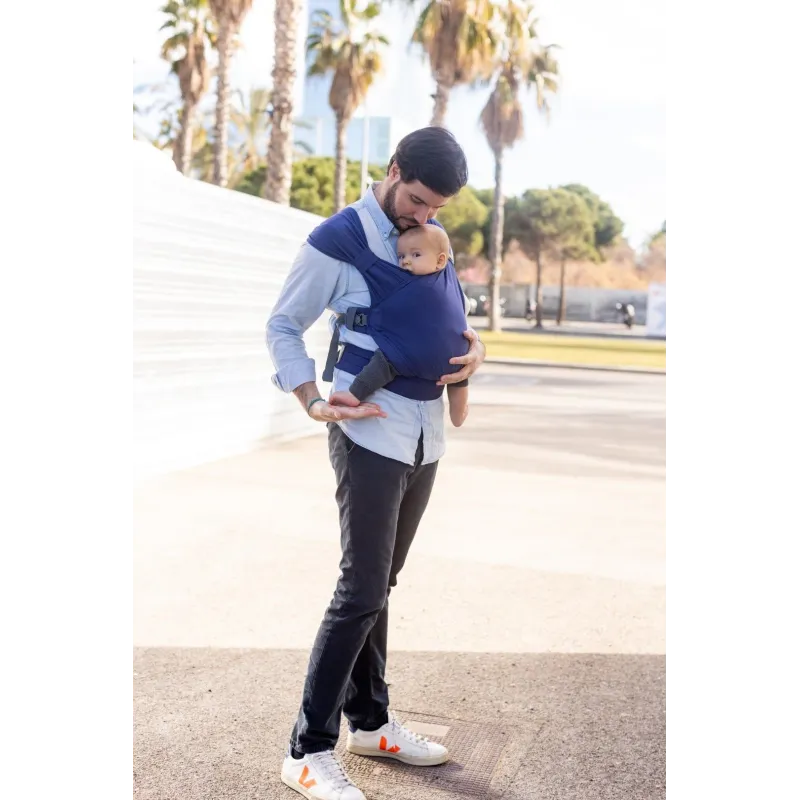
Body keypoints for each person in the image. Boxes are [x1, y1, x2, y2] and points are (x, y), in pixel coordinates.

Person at [267, 127, 486, 800]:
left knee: (381, 583)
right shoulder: (337, 241)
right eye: (417, 200)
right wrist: (310, 399)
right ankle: (308, 749)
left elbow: (447, 314)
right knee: (361, 588)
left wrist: (475, 353)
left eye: (436, 208)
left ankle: (370, 722)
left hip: (425, 433)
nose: (424, 216)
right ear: (393, 170)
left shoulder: (432, 235)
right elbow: (282, 325)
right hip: (368, 430)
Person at [328, 223, 470, 428]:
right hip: (412, 353)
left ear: (441, 261)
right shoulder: (408, 281)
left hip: (455, 359)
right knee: (384, 362)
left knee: (458, 380)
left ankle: (459, 412)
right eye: (401, 256)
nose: (406, 261)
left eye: (416, 255)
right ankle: (354, 394)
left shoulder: (448, 280)